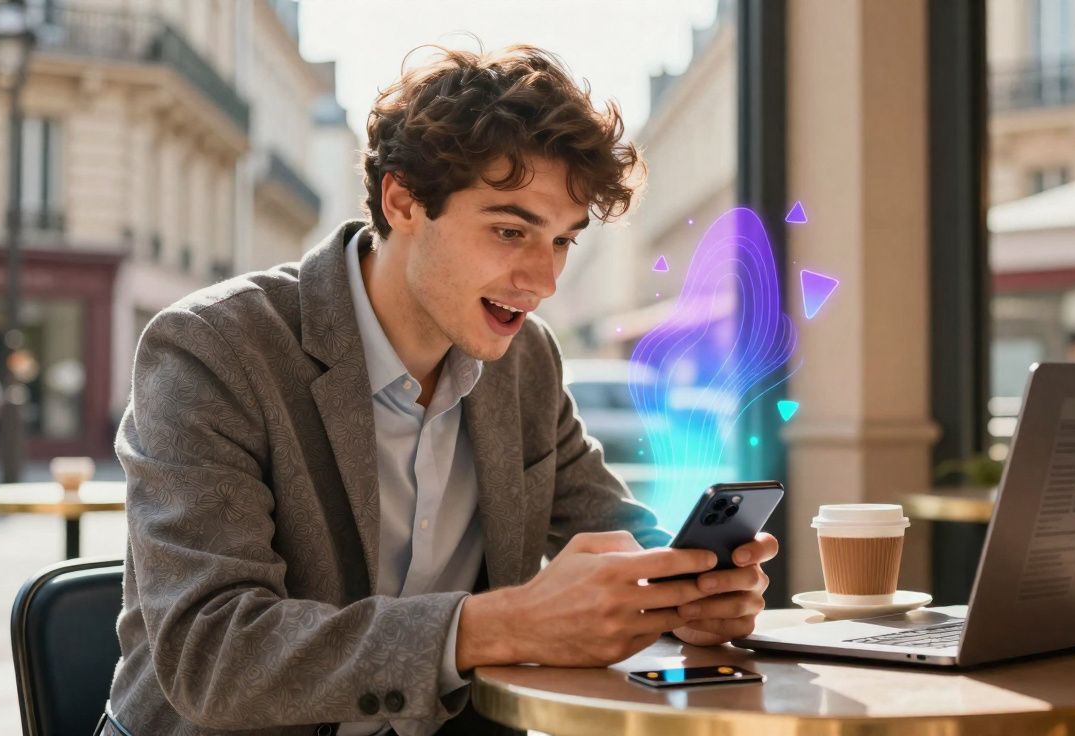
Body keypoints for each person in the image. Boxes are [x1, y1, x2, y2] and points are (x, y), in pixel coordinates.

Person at [104, 45, 778, 736]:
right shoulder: (213, 348)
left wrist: (689, 586)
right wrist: (499, 626)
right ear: (402, 201)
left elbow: (612, 527)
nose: (544, 281)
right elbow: (213, 654)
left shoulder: (526, 361)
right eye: (510, 231)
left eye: (562, 242)